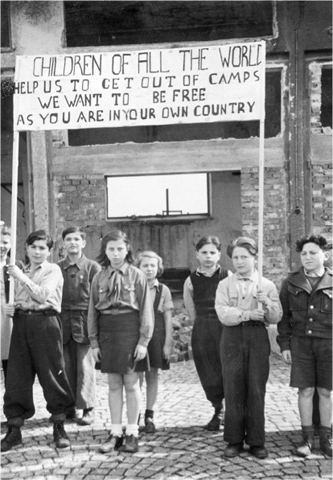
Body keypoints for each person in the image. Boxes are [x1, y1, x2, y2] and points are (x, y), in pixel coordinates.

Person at [1, 230, 75, 452]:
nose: (37, 251)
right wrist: (11, 307)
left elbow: (42, 295)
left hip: (46, 323)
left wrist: (20, 277)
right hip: (22, 324)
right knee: (17, 376)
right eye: (33, 247)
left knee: (52, 374)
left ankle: (59, 425)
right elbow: (18, 301)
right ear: (26, 248)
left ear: (50, 251)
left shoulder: (52, 270)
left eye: (43, 248)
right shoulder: (19, 270)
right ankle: (14, 429)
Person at [215, 236, 281, 459]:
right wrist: (246, 314)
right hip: (232, 336)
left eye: (244, 256)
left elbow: (275, 317)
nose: (239, 261)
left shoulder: (267, 285)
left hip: (257, 337)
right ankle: (234, 440)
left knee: (255, 387)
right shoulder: (224, 284)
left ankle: (256, 441)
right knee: (233, 387)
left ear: (255, 258)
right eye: (235, 257)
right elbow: (222, 312)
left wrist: (267, 302)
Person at [88, 230, 154, 454]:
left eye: (119, 249)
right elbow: (92, 312)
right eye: (111, 249)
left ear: (127, 250)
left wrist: (143, 341)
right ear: (105, 251)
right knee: (114, 385)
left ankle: (132, 432)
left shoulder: (137, 275)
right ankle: (115, 432)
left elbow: (146, 309)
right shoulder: (99, 277)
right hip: (108, 332)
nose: (116, 254)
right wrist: (95, 342)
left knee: (131, 383)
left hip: (130, 331)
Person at [277, 234, 332, 457]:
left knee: (326, 391)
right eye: (303, 253)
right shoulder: (290, 282)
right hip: (300, 344)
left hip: (328, 344)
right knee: (305, 390)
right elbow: (284, 317)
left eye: (313, 253)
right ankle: (307, 438)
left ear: (325, 255)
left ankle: (326, 438)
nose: (307, 257)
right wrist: (285, 345)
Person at [183, 235, 229, 431]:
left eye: (212, 252)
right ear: (197, 255)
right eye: (204, 253)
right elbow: (190, 307)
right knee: (207, 369)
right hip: (203, 327)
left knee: (226, 368)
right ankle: (217, 408)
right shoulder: (191, 280)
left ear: (219, 254)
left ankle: (230, 411)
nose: (208, 256)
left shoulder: (228, 276)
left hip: (225, 327)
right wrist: (201, 324)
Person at [58, 226, 101, 425]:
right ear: (63, 243)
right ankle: (69, 406)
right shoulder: (57, 267)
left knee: (85, 366)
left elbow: (98, 299)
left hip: (85, 320)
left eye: (76, 239)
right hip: (62, 320)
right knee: (65, 365)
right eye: (69, 239)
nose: (73, 242)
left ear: (83, 243)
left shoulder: (93, 267)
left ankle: (88, 407)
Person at [136, 250, 173, 433]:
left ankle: (149, 414)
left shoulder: (163, 290)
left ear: (158, 268)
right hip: (138, 335)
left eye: (153, 266)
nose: (149, 269)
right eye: (145, 265)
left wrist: (167, 343)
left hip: (157, 336)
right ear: (138, 267)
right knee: (136, 376)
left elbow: (167, 319)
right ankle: (134, 415)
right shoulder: (134, 286)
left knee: (152, 375)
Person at [1, 225, 13, 383]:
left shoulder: (15, 267)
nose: (1, 246)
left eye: (4, 242)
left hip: (7, 319)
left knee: (10, 361)